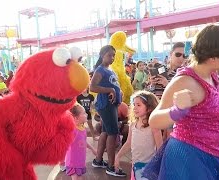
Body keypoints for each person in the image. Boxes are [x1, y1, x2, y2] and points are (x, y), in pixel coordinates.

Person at [143, 25, 219, 179]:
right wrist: (177, 111)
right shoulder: (185, 81)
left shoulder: (209, 73)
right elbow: (154, 120)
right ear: (213, 58)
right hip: (188, 157)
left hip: (207, 153)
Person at [90, 45, 126, 177]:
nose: (112, 58)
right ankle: (111, 166)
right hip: (106, 105)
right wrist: (110, 90)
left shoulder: (108, 69)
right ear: (102, 55)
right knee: (113, 133)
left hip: (111, 105)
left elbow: (111, 84)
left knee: (106, 131)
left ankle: (98, 160)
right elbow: (92, 87)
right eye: (110, 55)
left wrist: (117, 90)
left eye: (113, 55)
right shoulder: (100, 70)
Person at [115, 91, 163, 180]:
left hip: (148, 166)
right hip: (135, 165)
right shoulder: (133, 124)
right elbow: (128, 142)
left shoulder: (153, 125)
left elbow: (160, 147)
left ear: (149, 108)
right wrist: (118, 156)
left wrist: (158, 165)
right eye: (134, 105)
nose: (134, 108)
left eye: (138, 105)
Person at [64, 104, 97, 180]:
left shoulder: (82, 128)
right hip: (72, 161)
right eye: (84, 113)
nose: (86, 114)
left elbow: (83, 141)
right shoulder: (72, 130)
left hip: (80, 160)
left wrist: (92, 149)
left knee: (80, 178)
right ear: (76, 118)